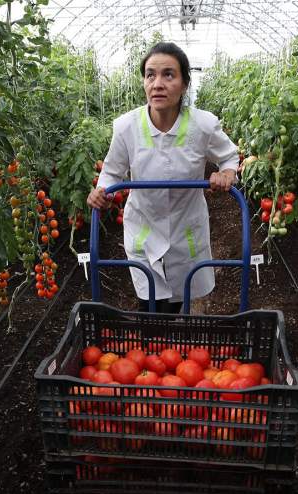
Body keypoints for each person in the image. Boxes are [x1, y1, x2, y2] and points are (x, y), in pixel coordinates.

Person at [88, 42, 239, 314]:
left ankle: (172, 346)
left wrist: (226, 173)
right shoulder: (127, 127)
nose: (157, 83)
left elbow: (229, 156)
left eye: (169, 75)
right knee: (151, 301)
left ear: (184, 84)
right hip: (144, 229)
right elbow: (111, 172)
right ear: (144, 82)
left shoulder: (203, 125)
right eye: (150, 75)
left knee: (183, 293)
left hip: (187, 228)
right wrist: (102, 192)